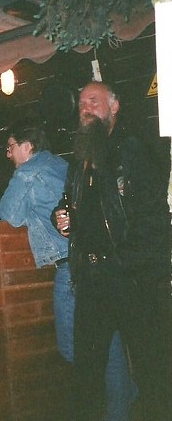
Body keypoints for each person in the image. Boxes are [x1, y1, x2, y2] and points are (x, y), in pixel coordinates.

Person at [0, 118, 136, 420]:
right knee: (103, 336)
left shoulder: (28, 173)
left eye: (10, 147)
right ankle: (123, 400)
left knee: (74, 347)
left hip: (69, 268)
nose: (8, 154)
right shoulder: (61, 165)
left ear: (27, 146)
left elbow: (8, 214)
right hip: (92, 263)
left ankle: (114, 400)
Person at [53, 81, 171, 420]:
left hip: (131, 278)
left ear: (114, 107)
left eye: (93, 100)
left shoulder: (132, 148)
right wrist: (61, 217)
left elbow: (152, 215)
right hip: (92, 280)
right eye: (81, 103)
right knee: (87, 372)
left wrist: (129, 264)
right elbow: (70, 204)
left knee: (151, 369)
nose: (85, 108)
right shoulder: (81, 157)